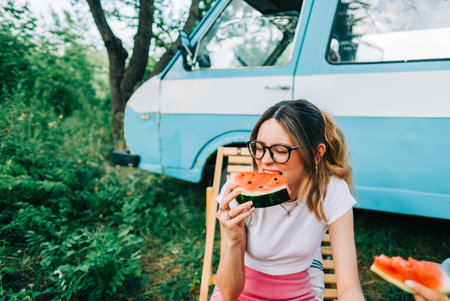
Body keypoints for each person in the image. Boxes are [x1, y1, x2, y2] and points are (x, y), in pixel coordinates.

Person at [211, 99, 364, 301]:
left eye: (280, 151)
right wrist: (233, 239)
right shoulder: (237, 194)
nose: (265, 160)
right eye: (259, 147)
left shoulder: (332, 192)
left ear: (316, 154)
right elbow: (229, 294)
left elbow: (349, 288)